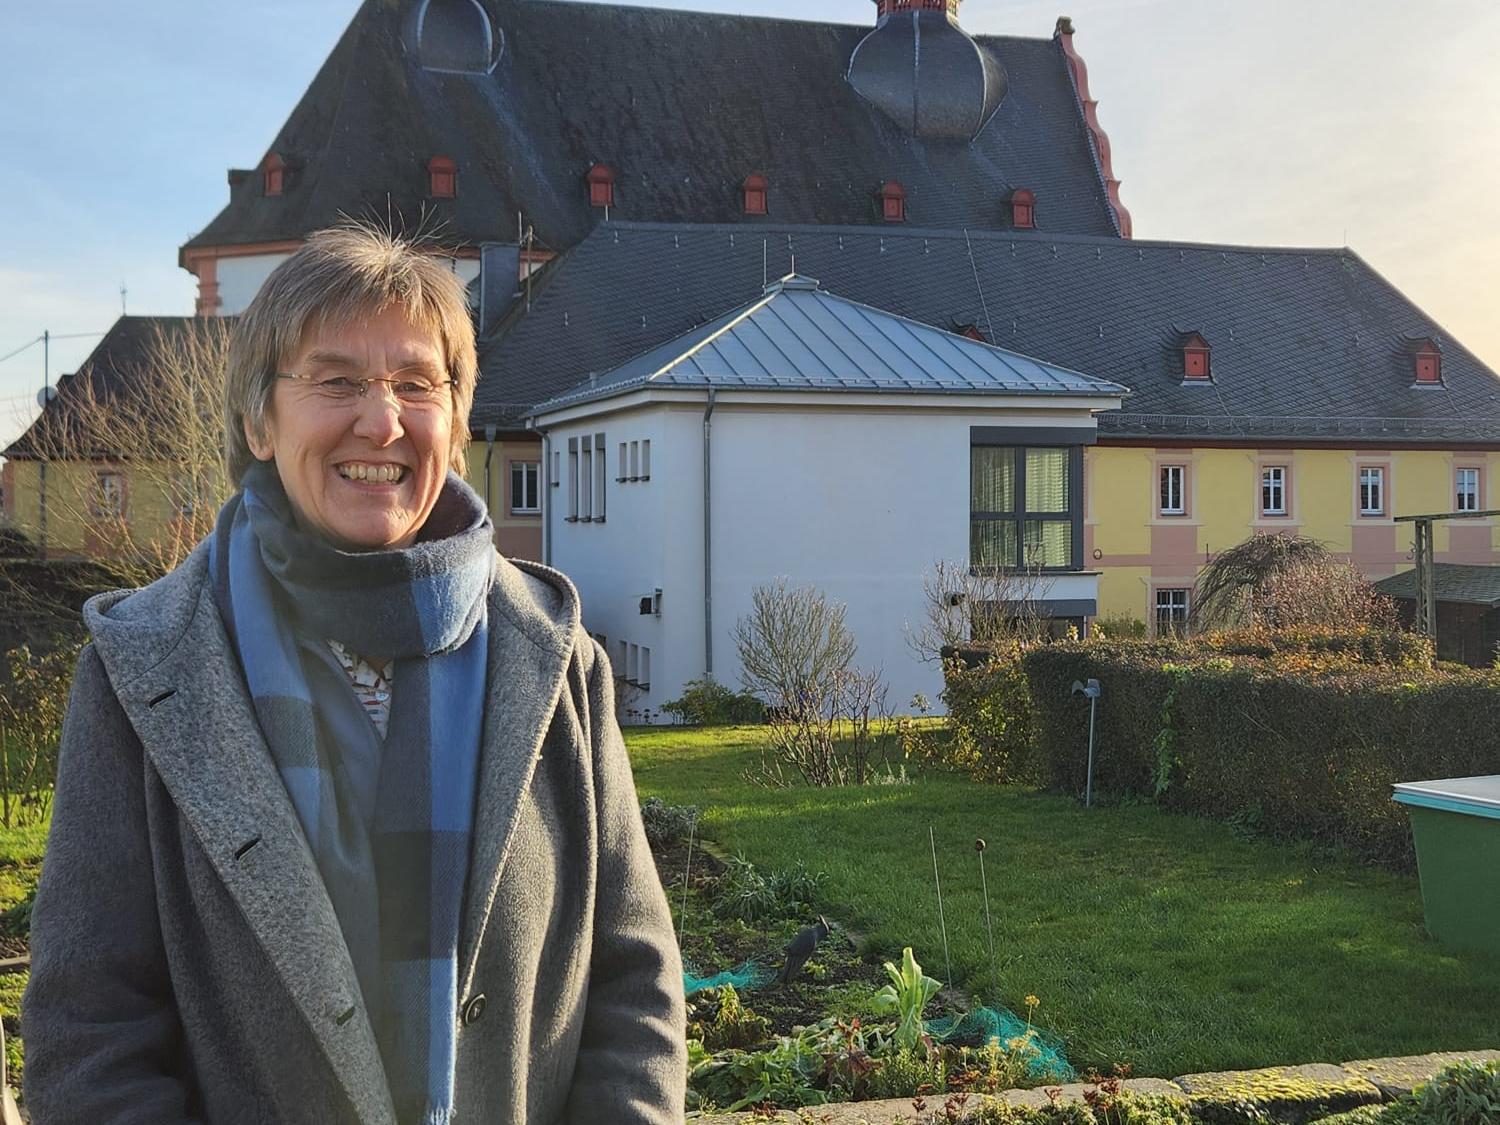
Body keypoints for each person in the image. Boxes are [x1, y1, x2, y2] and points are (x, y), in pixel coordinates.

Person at [21, 226, 686, 1124]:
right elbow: (90, 1035)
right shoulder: (142, 676)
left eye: (418, 384)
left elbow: (635, 991)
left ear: (454, 424)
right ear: (259, 420)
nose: (383, 420)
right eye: (337, 381)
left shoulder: (561, 661)